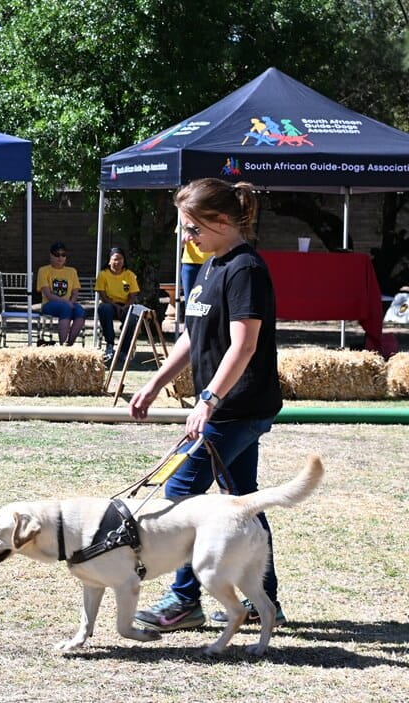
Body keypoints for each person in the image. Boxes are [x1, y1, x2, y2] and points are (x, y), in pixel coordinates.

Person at [130, 178, 285, 632]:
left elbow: (244, 345)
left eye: (193, 228)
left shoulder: (245, 269)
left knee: (181, 495)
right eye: (185, 228)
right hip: (228, 406)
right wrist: (155, 382)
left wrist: (208, 400)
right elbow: (191, 335)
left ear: (220, 221)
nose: (187, 237)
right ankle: (262, 602)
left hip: (238, 407)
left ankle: (184, 601)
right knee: (242, 503)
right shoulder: (211, 265)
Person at [94, 247, 140, 363]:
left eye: (120, 259)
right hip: (109, 304)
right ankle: (109, 345)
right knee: (104, 309)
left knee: (132, 318)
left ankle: (124, 351)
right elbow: (103, 296)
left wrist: (125, 306)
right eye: (115, 259)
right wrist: (116, 306)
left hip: (126, 305)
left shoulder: (129, 275)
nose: (118, 262)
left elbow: (133, 296)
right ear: (109, 261)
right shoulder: (103, 275)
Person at [36, 242, 85, 345]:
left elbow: (75, 292)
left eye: (63, 255)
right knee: (65, 308)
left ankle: (69, 344)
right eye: (57, 254)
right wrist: (67, 303)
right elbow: (48, 295)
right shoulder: (43, 270)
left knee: (80, 311)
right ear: (51, 255)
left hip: (68, 303)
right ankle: (62, 344)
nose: (60, 258)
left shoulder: (72, 271)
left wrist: (71, 302)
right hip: (49, 304)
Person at [178, 218, 209, 334]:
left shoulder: (210, 219)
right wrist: (185, 236)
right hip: (190, 264)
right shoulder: (185, 220)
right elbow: (179, 244)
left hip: (210, 262)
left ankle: (204, 333)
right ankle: (189, 333)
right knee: (190, 301)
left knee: (208, 301)